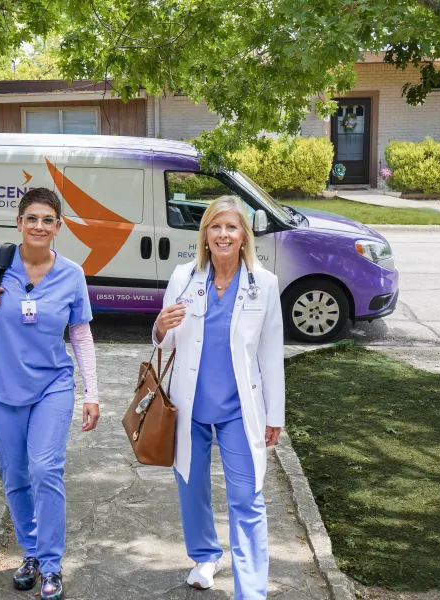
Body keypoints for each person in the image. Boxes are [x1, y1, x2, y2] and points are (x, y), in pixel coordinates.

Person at [0, 187, 99, 600]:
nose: (39, 226)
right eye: (31, 218)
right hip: (2, 390)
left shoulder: (71, 274)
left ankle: (52, 565)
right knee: (15, 476)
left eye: (47, 219)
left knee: (44, 469)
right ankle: (32, 553)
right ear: (19, 223)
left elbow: (81, 334)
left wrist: (92, 392)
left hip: (52, 386)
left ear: (59, 227)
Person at [153, 196, 284, 599]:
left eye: (231, 227)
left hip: (238, 410)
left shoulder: (263, 284)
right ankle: (205, 556)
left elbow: (269, 351)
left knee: (247, 498)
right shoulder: (183, 277)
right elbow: (166, 342)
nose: (223, 234)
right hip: (189, 407)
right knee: (192, 488)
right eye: (215, 227)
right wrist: (159, 327)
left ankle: (252, 592)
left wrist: (274, 413)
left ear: (244, 235)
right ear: (205, 235)